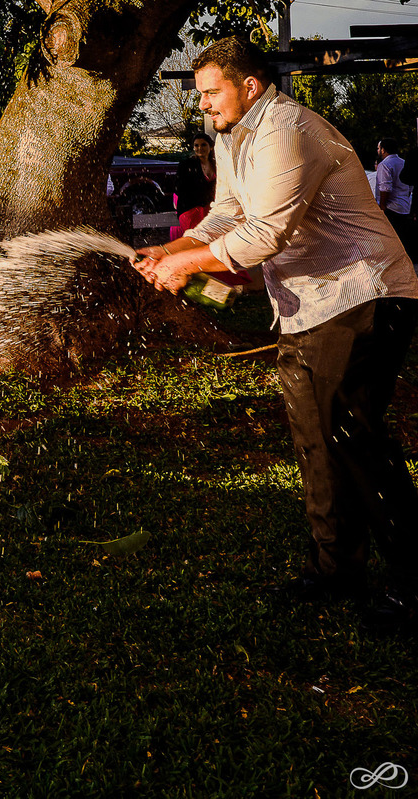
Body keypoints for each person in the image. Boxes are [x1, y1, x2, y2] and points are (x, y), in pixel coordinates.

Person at [130, 36, 418, 632]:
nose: (203, 104)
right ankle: (336, 569)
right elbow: (226, 215)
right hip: (308, 304)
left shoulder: (288, 130)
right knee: (316, 436)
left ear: (250, 86)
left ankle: (415, 584)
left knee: (353, 435)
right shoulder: (232, 136)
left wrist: (187, 268)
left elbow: (264, 236)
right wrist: (174, 247)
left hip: (363, 293)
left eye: (212, 92)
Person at [169, 133, 217, 241]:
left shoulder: (215, 164)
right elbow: (179, 188)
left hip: (210, 209)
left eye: (203, 145)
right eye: (196, 145)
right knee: (196, 240)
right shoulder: (187, 164)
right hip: (190, 209)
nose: (200, 148)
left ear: (211, 146)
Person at [374, 137, 413, 258]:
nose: (378, 151)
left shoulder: (384, 165)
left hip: (391, 207)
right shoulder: (404, 163)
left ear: (383, 150)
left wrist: (382, 206)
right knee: (402, 239)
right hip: (405, 206)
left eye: (379, 148)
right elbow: (410, 184)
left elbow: (385, 188)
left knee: (389, 240)